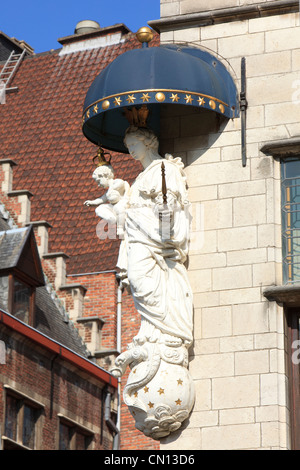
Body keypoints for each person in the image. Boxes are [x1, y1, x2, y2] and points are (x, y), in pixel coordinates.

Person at [118, 125, 193, 347]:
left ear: (148, 143)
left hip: (153, 232)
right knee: (137, 279)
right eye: (128, 146)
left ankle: (165, 326)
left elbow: (170, 201)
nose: (130, 150)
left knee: (140, 277)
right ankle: (150, 327)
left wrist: (165, 220)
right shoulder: (141, 176)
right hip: (137, 231)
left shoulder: (164, 168)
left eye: (134, 144)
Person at [84, 164, 130, 238]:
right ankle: (112, 219)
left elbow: (121, 183)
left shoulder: (116, 182)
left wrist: (112, 189)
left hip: (122, 203)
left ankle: (120, 228)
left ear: (104, 176)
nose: (99, 185)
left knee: (119, 208)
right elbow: (101, 199)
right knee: (99, 208)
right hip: (114, 206)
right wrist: (92, 202)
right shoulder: (108, 192)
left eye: (99, 181)